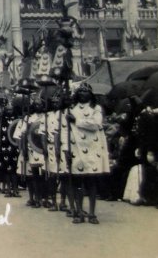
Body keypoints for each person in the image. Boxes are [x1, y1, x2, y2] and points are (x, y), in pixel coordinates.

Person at [67, 83, 110, 224]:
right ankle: (79, 212)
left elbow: (96, 124)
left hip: (92, 149)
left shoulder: (96, 109)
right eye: (81, 91)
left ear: (90, 94)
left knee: (91, 182)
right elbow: (65, 131)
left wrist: (77, 121)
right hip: (76, 149)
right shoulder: (71, 109)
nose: (83, 93)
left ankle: (91, 213)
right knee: (77, 182)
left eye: (86, 91)